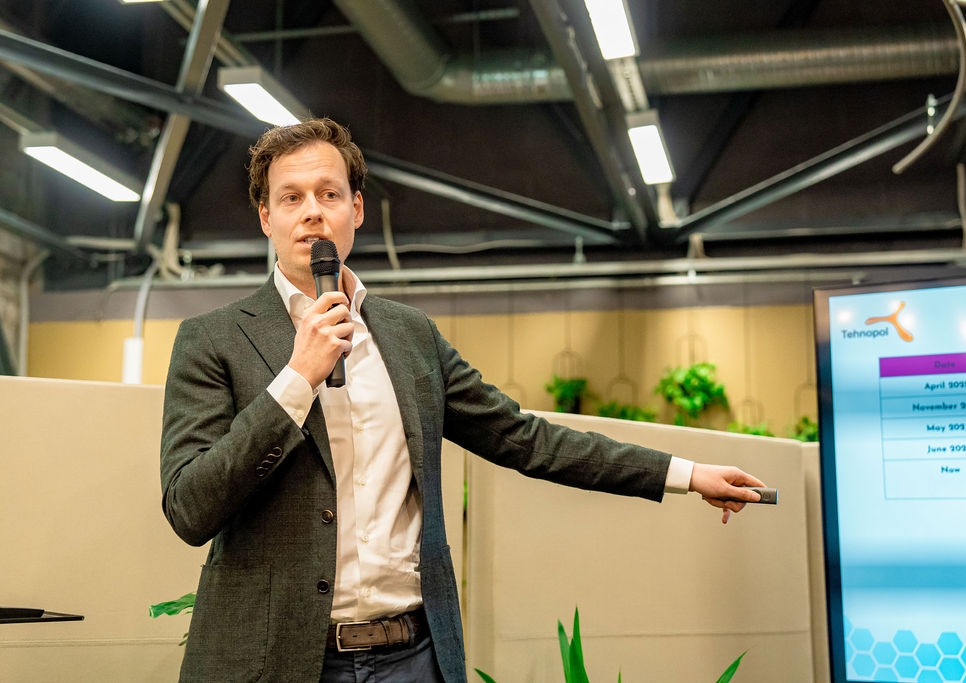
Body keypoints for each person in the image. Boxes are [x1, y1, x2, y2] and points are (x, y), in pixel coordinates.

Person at [160, 118, 765, 683]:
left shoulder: (410, 336)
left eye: (329, 194)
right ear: (265, 217)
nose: (312, 212)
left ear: (357, 210)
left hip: (412, 657)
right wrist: (297, 378)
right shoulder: (212, 340)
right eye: (291, 198)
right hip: (277, 662)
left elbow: (525, 438)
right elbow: (190, 507)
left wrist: (685, 473)